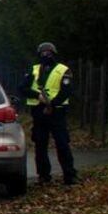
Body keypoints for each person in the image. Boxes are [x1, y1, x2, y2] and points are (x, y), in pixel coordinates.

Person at [20, 42, 78, 186]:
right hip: (39, 112)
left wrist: (51, 104)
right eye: (43, 52)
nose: (46, 55)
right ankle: (44, 176)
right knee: (40, 144)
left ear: (54, 53)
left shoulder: (63, 70)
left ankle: (69, 175)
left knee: (62, 143)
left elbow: (66, 91)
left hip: (57, 111)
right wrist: (37, 96)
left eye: (49, 52)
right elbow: (22, 88)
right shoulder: (34, 70)